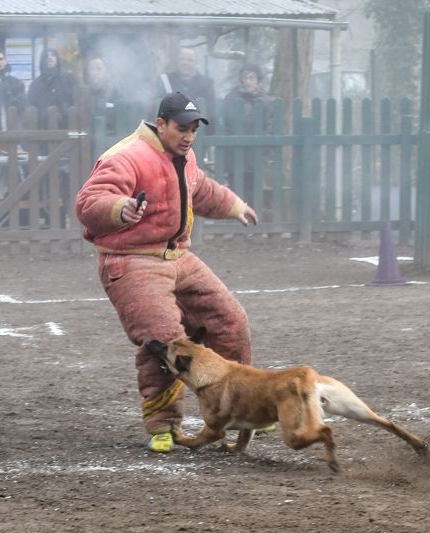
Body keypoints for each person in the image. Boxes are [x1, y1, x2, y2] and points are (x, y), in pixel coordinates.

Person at [75, 92, 258, 453]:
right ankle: (164, 425)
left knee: (231, 320)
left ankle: (242, 408)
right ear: (161, 125)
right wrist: (119, 208)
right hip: (130, 260)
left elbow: (201, 190)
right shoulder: (125, 156)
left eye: (193, 129)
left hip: (177, 257)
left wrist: (234, 205)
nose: (189, 136)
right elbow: (88, 201)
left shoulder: (184, 158)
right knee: (164, 340)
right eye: (181, 128)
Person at [222, 64, 273, 199]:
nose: (248, 81)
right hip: (234, 156)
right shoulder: (230, 99)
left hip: (255, 157)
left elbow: (269, 129)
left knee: (253, 194)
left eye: (252, 77)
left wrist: (263, 154)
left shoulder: (267, 102)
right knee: (234, 194)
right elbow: (224, 125)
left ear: (258, 80)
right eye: (245, 77)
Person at [160, 48, 216, 134]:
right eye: (182, 59)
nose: (185, 63)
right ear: (177, 61)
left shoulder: (207, 84)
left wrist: (211, 139)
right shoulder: (165, 81)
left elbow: (211, 113)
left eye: (190, 60)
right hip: (171, 136)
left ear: (196, 63)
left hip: (199, 134)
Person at [27, 48, 79, 121]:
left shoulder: (69, 79)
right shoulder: (35, 85)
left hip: (68, 125)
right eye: (46, 56)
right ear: (42, 61)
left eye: (53, 55)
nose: (50, 57)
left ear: (57, 59)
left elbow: (77, 101)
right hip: (44, 127)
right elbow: (31, 107)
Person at [86, 57, 120, 135]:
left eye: (99, 69)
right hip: (88, 139)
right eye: (92, 69)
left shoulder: (114, 93)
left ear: (106, 71)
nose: (95, 72)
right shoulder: (85, 93)